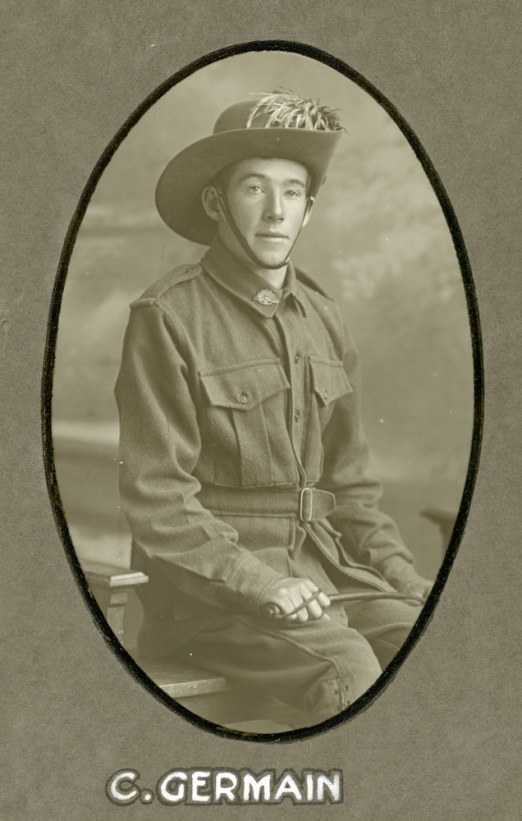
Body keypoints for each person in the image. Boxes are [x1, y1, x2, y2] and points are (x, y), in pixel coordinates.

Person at [115, 90, 433, 728]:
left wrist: (407, 580)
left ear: (309, 209)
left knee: (429, 640)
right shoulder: (169, 316)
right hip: (209, 596)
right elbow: (158, 499)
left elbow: (350, 486)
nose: (274, 212)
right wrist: (261, 583)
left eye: (292, 192)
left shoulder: (323, 317)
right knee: (348, 669)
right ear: (216, 202)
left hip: (325, 571)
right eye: (254, 188)